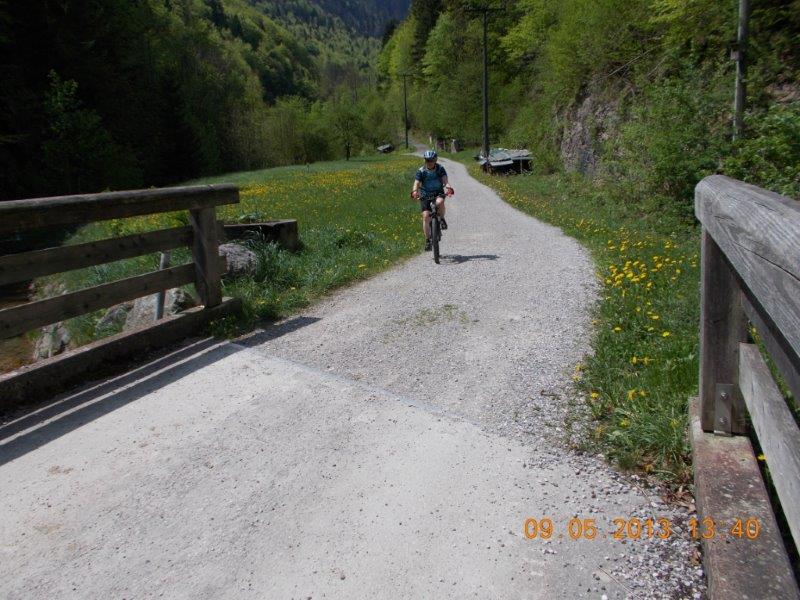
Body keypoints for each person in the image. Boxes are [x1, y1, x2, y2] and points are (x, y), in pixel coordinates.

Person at [411, 149, 454, 251]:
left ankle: (442, 219)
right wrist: (414, 191)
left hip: (438, 192)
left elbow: (445, 180)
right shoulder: (421, 171)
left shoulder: (440, 169)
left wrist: (448, 187)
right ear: (425, 160)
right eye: (427, 160)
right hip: (425, 194)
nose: (429, 162)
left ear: (435, 160)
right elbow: (416, 182)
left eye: (432, 160)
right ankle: (427, 241)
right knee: (426, 216)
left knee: (440, 202)